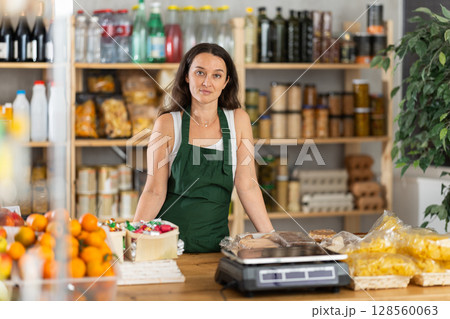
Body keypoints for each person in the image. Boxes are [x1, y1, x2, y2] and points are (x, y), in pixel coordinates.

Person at [134, 43, 274, 252]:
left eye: (217, 75)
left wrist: (272, 239)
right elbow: (154, 191)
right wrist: (133, 237)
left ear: (226, 82)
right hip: (167, 247)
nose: (207, 82)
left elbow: (248, 186)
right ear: (187, 76)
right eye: (200, 72)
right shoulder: (168, 124)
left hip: (215, 248)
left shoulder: (238, 121)